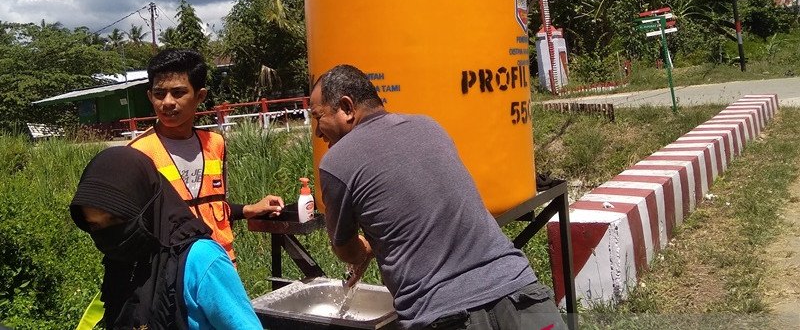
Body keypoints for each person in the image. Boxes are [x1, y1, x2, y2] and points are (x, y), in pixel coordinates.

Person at [311, 64, 566, 330]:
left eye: (319, 117)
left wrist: (366, 248)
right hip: (522, 293)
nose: (318, 131)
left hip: (443, 315)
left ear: (347, 107)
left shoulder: (337, 162)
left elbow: (347, 250)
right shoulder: (429, 126)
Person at [70, 146, 262, 329]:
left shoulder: (200, 260)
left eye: (116, 219)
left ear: (145, 203)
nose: (108, 234)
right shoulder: (125, 261)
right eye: (95, 225)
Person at [129, 48, 283, 264]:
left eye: (178, 92)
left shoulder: (215, 143)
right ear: (149, 96)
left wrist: (250, 209)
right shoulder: (137, 152)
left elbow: (212, 205)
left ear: (200, 96)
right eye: (159, 94)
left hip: (221, 264)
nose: (167, 102)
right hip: (174, 271)